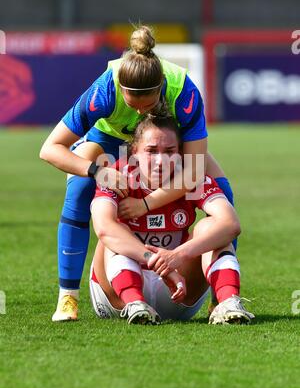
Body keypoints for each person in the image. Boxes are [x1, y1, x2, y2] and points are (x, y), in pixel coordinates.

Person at [39, 25, 235, 322]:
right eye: (134, 104)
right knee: (79, 189)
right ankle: (68, 296)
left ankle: (221, 299)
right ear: (121, 90)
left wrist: (146, 203)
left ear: (161, 90)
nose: (142, 113)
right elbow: (51, 148)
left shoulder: (183, 93)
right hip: (109, 140)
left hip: (161, 142)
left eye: (150, 104)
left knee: (223, 193)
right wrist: (96, 172)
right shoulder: (105, 90)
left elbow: (193, 169)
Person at [89, 114, 254, 325]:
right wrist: (154, 260)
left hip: (179, 291)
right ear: (134, 152)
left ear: (180, 153)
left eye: (169, 151)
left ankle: (229, 303)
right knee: (114, 230)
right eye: (151, 151)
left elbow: (231, 224)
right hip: (117, 297)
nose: (161, 161)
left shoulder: (190, 177)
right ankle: (136, 304)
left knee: (211, 227)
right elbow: (103, 228)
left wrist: (177, 255)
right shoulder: (117, 175)